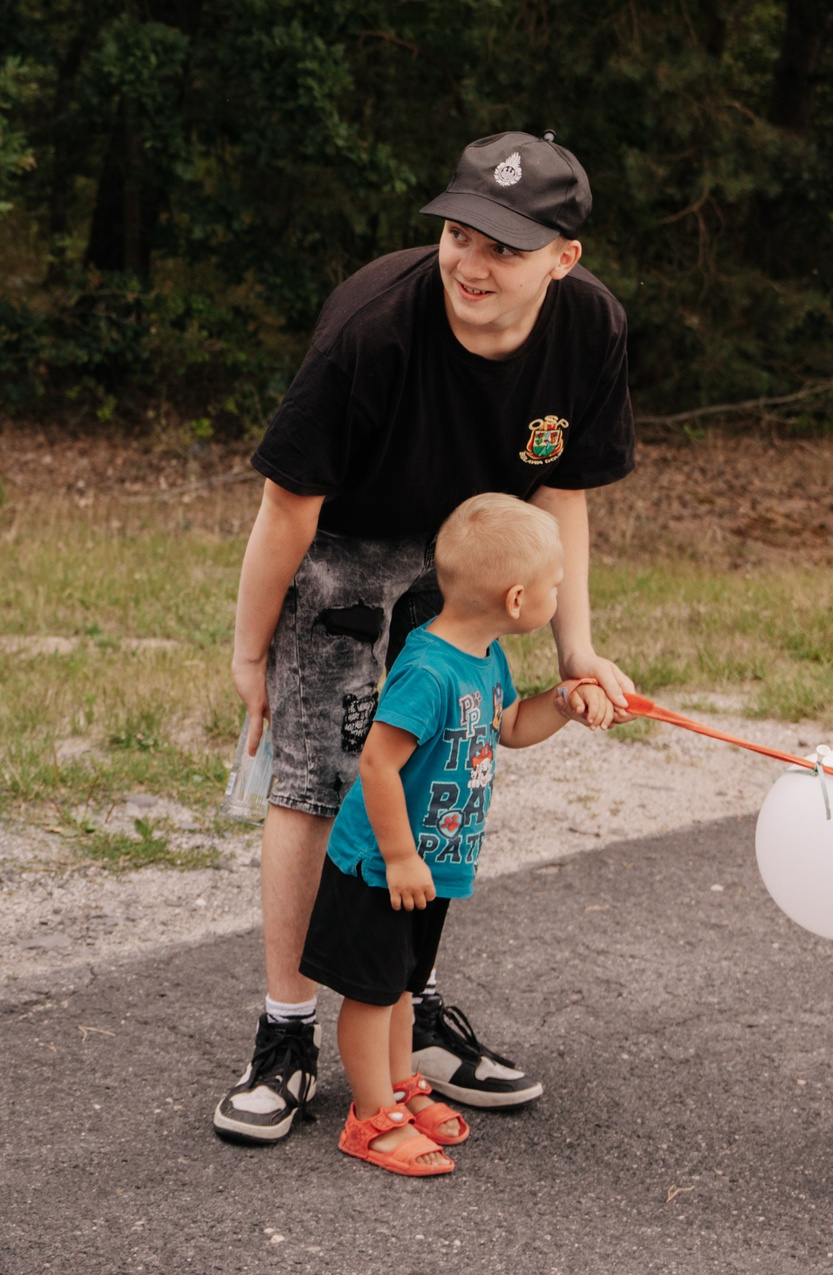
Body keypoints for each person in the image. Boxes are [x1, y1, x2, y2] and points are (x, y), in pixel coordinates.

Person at [213, 129, 636, 1144]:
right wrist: (251, 649)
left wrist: (573, 649)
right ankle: (285, 1034)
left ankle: (409, 1008)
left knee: (444, 760)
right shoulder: (371, 329)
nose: (471, 263)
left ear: (563, 258)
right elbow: (287, 507)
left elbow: (561, 489)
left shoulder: (589, 327)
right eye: (459, 234)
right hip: (344, 541)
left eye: (504, 247)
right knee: (318, 778)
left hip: (471, 547)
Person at [297, 494, 615, 1176]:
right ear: (518, 597)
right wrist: (400, 856)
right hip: (381, 865)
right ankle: (370, 1118)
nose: (561, 595)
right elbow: (378, 763)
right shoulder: (428, 669)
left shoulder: (486, 657)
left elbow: (511, 727)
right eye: (556, 585)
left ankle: (399, 1088)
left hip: (428, 865)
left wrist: (563, 702)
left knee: (402, 987)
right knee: (372, 993)